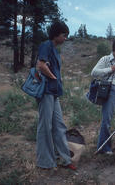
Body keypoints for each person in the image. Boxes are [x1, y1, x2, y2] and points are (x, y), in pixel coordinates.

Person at [35, 21, 76, 170]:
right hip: (46, 91)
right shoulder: (46, 45)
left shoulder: (55, 50)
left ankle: (65, 159)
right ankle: (45, 162)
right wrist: (53, 78)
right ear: (57, 34)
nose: (65, 38)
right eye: (64, 35)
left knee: (59, 125)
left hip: (54, 93)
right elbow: (40, 65)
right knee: (45, 126)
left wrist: (57, 79)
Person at [91, 37, 115, 154]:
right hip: (110, 90)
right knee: (107, 119)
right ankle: (104, 147)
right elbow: (94, 72)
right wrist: (109, 69)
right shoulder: (106, 59)